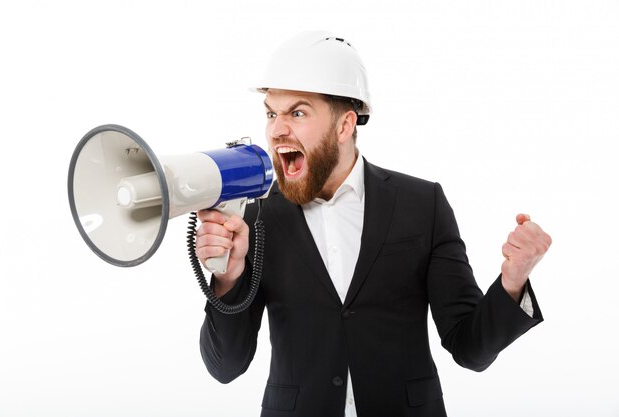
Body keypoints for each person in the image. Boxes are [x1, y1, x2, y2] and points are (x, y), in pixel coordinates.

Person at [195, 31, 552, 417]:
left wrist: (513, 282)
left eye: (297, 113)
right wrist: (228, 279)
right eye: (271, 113)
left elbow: (470, 348)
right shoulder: (256, 216)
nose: (276, 130)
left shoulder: (422, 204)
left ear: (345, 125)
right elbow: (225, 367)